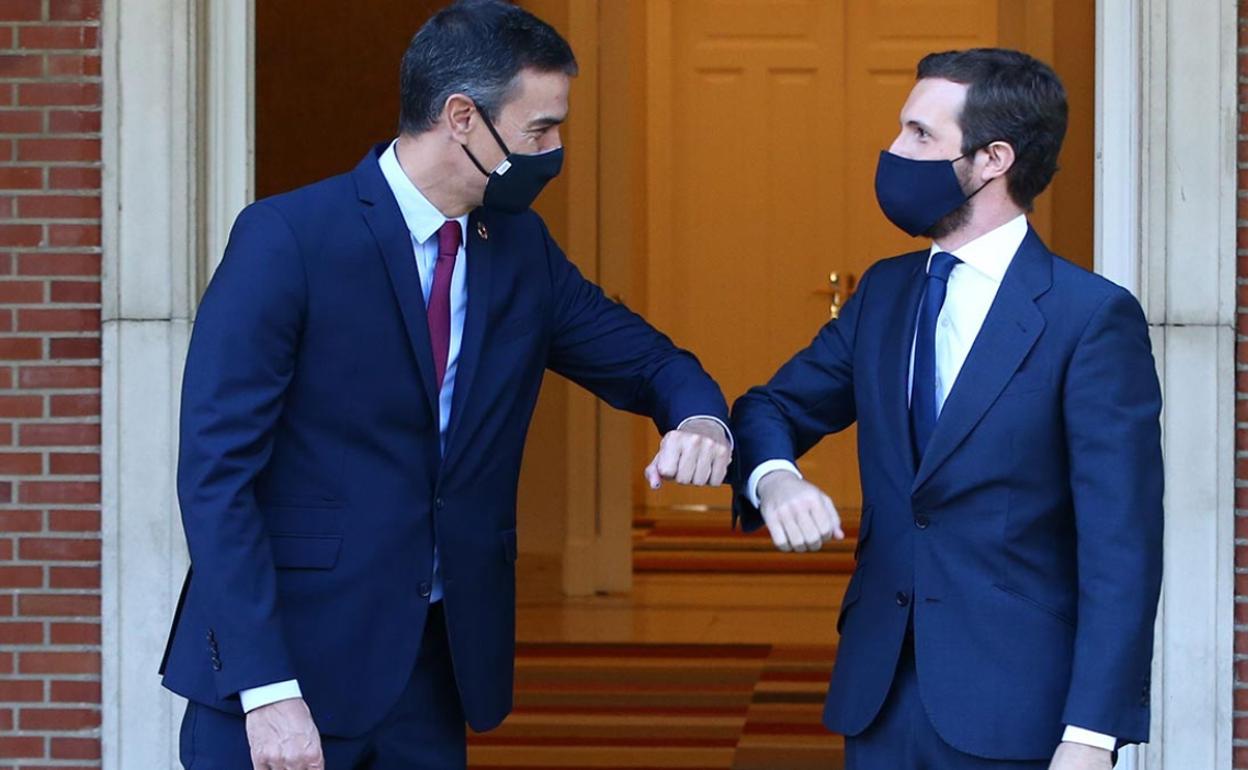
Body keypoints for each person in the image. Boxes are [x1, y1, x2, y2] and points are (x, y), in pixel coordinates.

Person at [160, 2, 732, 767]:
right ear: (462, 117)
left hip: (431, 680)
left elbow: (648, 360)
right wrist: (266, 690)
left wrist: (699, 420)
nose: (555, 151)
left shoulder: (520, 248)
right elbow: (216, 475)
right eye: (540, 130)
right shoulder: (288, 239)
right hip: (284, 675)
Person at [731, 48, 1163, 770]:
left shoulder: (1090, 317)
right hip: (878, 699)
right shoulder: (884, 292)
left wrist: (1092, 734)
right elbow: (771, 406)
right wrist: (774, 477)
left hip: (1017, 708)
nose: (895, 152)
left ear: (994, 159)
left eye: (920, 135)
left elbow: (1122, 545)